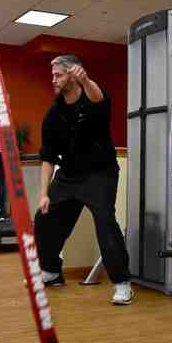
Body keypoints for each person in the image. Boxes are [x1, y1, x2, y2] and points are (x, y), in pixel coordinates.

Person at [34, 55, 133, 305]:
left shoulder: (92, 98)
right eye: (53, 75)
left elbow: (99, 99)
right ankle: (52, 271)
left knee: (105, 223)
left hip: (100, 174)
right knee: (44, 219)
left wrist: (86, 80)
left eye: (58, 75)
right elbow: (47, 158)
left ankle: (122, 283)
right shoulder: (53, 115)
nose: (53, 79)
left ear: (73, 74)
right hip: (68, 175)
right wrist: (44, 193)